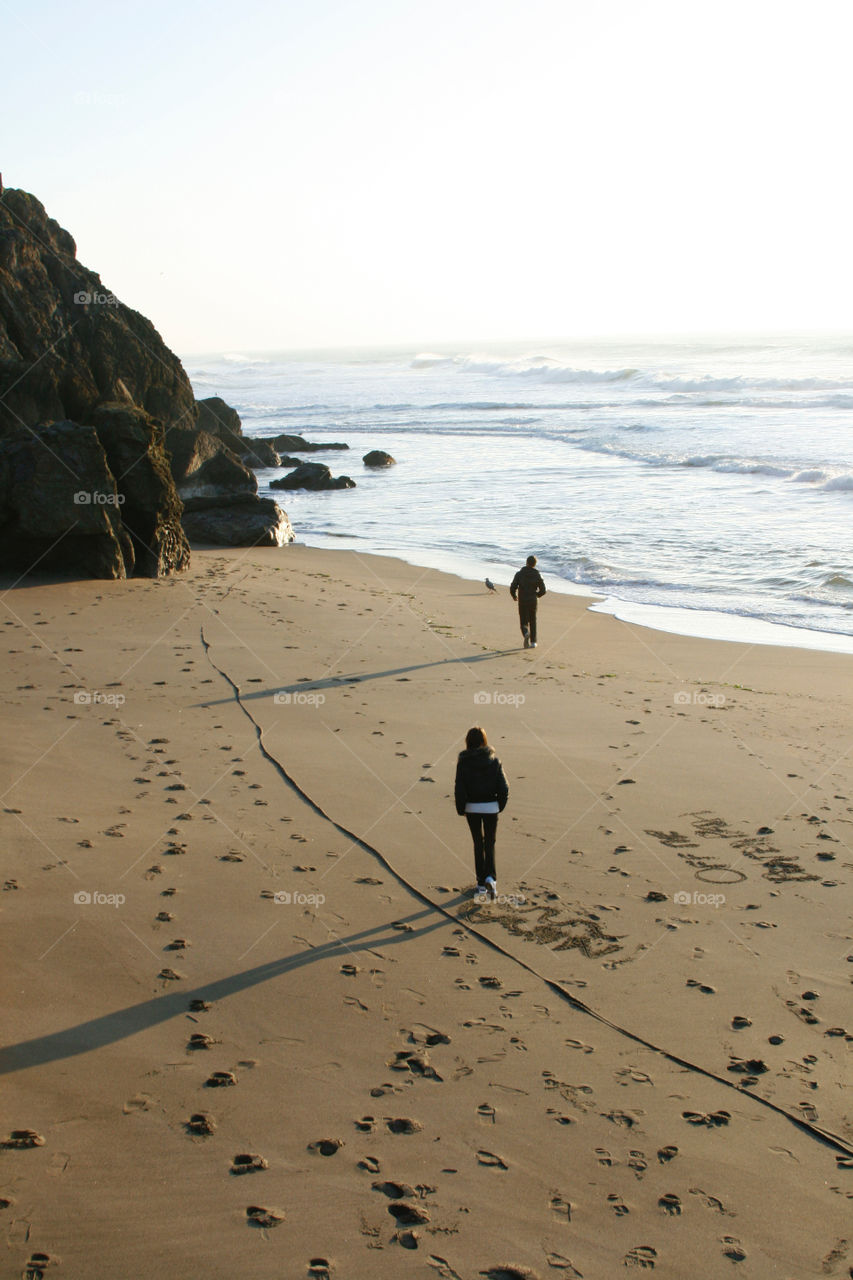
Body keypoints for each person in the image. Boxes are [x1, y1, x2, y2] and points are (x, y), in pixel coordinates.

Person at [454, 726, 508, 900]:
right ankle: (491, 879)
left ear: (468, 742)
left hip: (472, 807)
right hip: (491, 807)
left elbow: (459, 788)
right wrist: (500, 805)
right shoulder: (494, 760)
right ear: (484, 741)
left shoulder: (463, 762)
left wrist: (461, 808)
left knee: (478, 842)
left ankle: (480, 884)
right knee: (490, 842)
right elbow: (504, 787)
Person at [510, 554, 546, 648]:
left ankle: (526, 633)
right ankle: (534, 642)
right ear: (535, 564)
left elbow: (513, 587)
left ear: (526, 563)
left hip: (522, 600)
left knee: (523, 621)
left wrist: (514, 596)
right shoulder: (538, 575)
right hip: (533, 600)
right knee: (533, 620)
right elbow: (543, 590)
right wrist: (537, 595)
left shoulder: (519, 574)